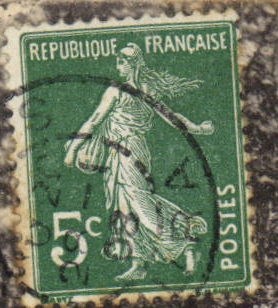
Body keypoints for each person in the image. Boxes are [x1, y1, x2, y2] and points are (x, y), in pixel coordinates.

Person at [63, 43, 213, 282]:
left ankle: (183, 243)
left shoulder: (119, 90)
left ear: (132, 64)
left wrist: (73, 148)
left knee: (140, 205)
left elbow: (93, 121)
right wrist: (197, 128)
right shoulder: (145, 90)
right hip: (122, 153)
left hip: (128, 152)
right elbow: (173, 118)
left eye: (122, 62)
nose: (118, 66)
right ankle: (139, 263)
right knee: (124, 209)